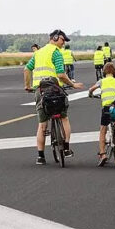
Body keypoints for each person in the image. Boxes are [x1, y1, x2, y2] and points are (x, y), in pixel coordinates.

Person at [24, 30, 84, 165]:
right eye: (63, 40)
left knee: (42, 124)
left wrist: (28, 86)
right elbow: (61, 75)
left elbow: (27, 69)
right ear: (55, 38)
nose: (64, 43)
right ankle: (67, 147)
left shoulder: (38, 53)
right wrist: (72, 85)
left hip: (40, 90)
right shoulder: (56, 52)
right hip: (54, 89)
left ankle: (40, 156)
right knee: (64, 117)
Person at [87, 62, 115, 166]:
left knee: (103, 130)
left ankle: (103, 154)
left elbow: (91, 89)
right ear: (114, 72)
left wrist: (90, 94)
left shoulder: (102, 81)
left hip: (107, 108)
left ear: (104, 72)